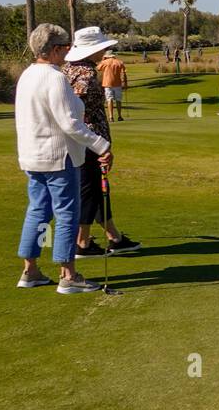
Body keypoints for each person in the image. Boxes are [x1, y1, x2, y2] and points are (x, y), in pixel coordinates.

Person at [14, 23, 112, 294]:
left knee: (38, 210)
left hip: (33, 156)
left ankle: (30, 270)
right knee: (67, 212)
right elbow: (70, 123)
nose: (68, 51)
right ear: (55, 50)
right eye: (65, 47)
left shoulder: (27, 75)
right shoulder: (55, 78)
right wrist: (101, 146)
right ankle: (68, 275)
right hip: (59, 157)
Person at [64, 27, 141, 258]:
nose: (104, 51)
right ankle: (82, 242)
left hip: (82, 138)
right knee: (90, 189)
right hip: (90, 140)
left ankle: (114, 237)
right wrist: (98, 142)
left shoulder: (68, 68)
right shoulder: (86, 74)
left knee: (95, 189)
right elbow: (75, 105)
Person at [96, 49, 128, 122]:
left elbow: (98, 68)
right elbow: (124, 73)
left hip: (107, 83)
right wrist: (125, 83)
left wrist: (102, 60)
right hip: (117, 84)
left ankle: (111, 117)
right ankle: (119, 116)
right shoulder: (119, 62)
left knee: (109, 99)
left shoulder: (104, 62)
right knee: (118, 100)